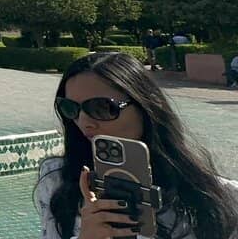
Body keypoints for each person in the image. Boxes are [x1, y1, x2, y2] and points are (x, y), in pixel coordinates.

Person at [35, 52, 238, 238]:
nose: (84, 121)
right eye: (71, 108)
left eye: (102, 107)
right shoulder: (56, 179)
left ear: (145, 106)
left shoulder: (218, 197)